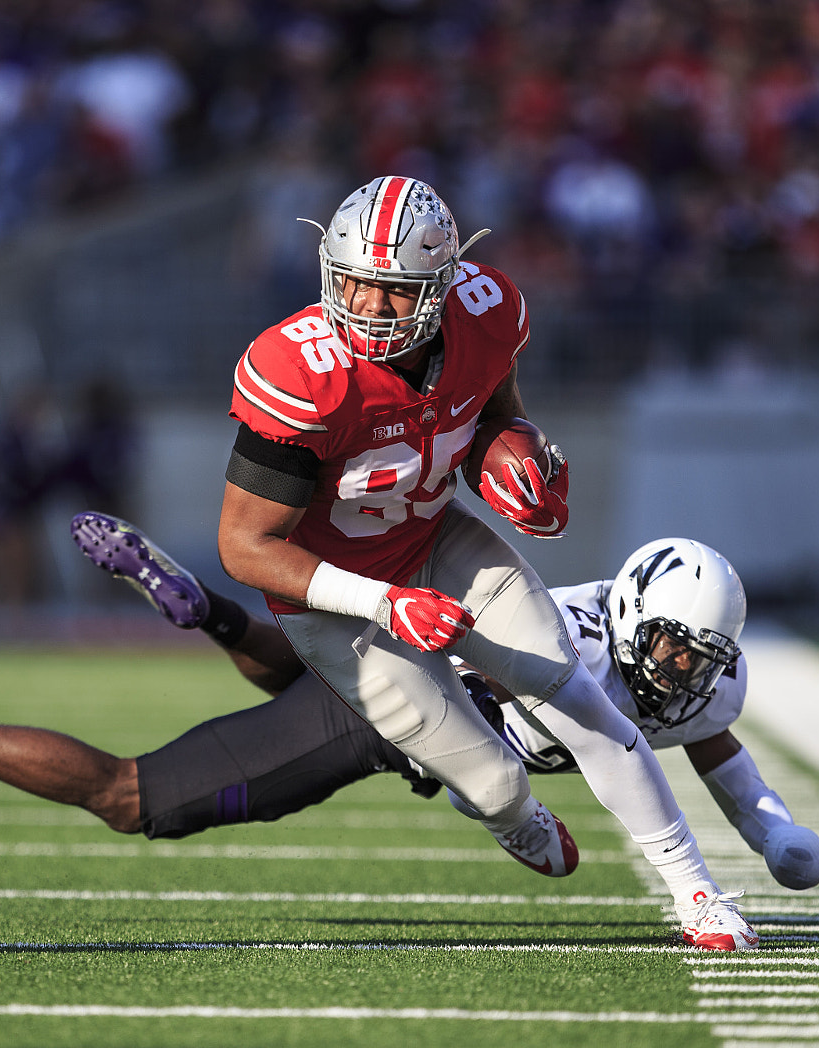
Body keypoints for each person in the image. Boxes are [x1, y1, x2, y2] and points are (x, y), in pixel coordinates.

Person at [0, 514, 819, 950]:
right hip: (401, 704)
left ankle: (206, 612)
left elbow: (708, 742)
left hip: (401, 676)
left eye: (701, 658)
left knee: (327, 684)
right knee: (132, 796)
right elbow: (617, 745)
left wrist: (773, 829)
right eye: (678, 651)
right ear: (635, 615)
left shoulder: (681, 666)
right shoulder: (590, 654)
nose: (684, 673)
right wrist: (692, 883)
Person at [217, 175, 752, 939]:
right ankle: (513, 817)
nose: (368, 307)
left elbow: (495, 414)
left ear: (441, 286)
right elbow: (243, 545)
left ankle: (698, 894)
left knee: (574, 696)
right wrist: (382, 602)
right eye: (354, 283)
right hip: (332, 599)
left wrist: (516, 465)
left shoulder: (485, 312)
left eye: (394, 291)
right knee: (496, 782)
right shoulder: (300, 373)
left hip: (435, 538)